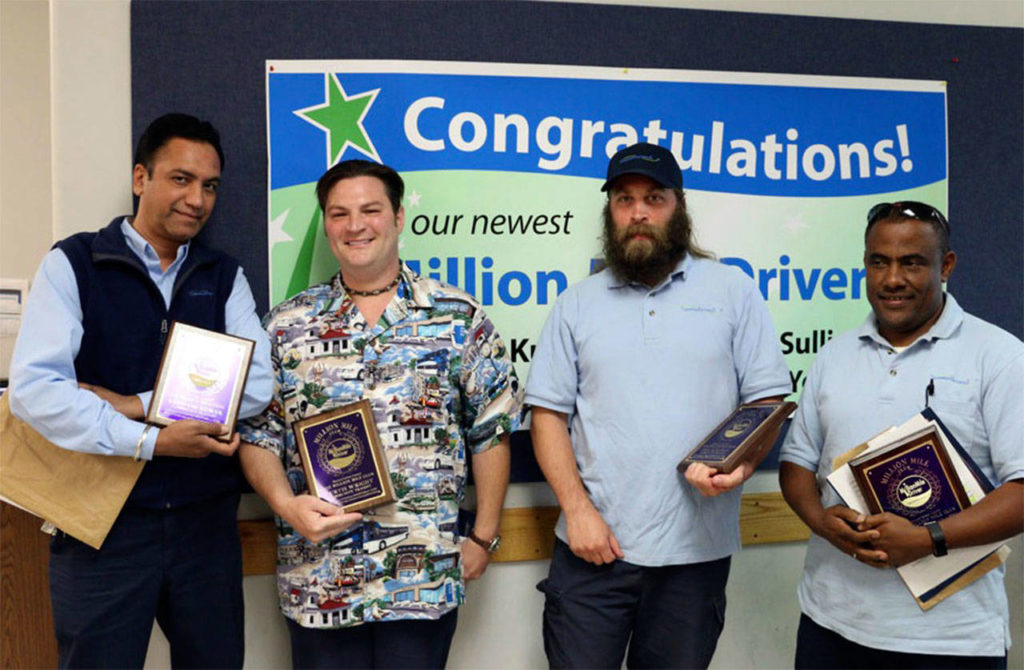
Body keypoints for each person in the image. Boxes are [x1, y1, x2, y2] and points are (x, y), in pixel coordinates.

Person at [8, 113, 273, 668]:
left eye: (209, 186)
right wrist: (152, 440)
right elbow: (36, 392)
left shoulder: (223, 275)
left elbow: (256, 387)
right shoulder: (74, 263)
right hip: (102, 526)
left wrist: (135, 405)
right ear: (139, 179)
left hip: (205, 526)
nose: (197, 199)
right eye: (180, 179)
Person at [238, 159, 522, 669]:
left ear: (397, 218)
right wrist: (285, 505)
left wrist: (484, 536)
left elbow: (491, 432)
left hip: (421, 577)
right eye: (339, 213)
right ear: (325, 224)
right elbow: (258, 436)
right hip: (319, 576)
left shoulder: (457, 317)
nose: (355, 225)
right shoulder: (284, 326)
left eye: (370, 210)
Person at [525, 142, 791, 669]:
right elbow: (548, 416)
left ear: (679, 206)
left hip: (694, 556)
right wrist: (578, 514)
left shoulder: (733, 291)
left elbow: (766, 401)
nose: (638, 212)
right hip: (590, 552)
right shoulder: (576, 304)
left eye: (654, 198)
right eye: (624, 200)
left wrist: (738, 465)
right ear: (611, 213)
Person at [779, 201, 1023, 669]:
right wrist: (820, 521)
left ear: (945, 265)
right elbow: (796, 462)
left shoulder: (1000, 357)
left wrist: (929, 537)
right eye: (879, 262)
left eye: (911, 262)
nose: (892, 279)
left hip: (950, 643)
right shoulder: (834, 355)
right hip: (830, 625)